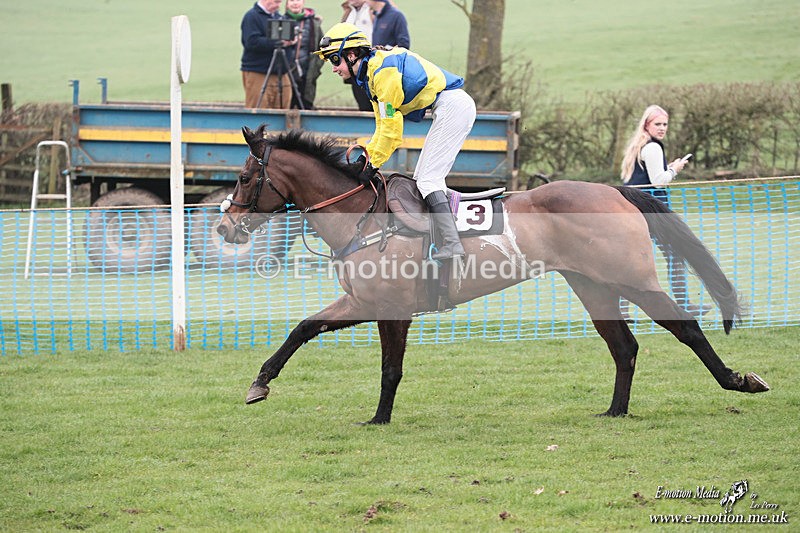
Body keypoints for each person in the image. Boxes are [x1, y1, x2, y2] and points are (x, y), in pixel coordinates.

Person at [314, 22, 476, 261]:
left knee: (429, 180)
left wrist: (372, 165)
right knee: (423, 180)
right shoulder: (371, 74)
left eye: (334, 60)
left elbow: (392, 132)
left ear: (351, 55)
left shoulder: (383, 74)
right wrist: (366, 158)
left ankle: (454, 244)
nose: (334, 69)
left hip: (453, 107)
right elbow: (381, 126)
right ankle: (444, 238)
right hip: (448, 107)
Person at [620, 104, 712, 318]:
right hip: (652, 213)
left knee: (631, 261)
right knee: (675, 256)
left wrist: (667, 169)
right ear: (647, 125)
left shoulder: (639, 146)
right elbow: (659, 182)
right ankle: (685, 305)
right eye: (657, 124)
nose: (662, 128)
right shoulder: (652, 147)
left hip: (635, 210)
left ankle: (622, 312)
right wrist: (674, 169)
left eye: (665, 124)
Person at [240, 0, 294, 109]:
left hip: (281, 73)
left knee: (283, 109)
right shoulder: (252, 16)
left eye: (279, 3)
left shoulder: (279, 17)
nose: (278, 5)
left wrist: (290, 42)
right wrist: (278, 42)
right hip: (258, 72)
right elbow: (252, 42)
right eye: (275, 2)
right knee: (258, 109)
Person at [284, 0, 324, 109]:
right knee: (285, 106)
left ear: (303, 2)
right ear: (287, 4)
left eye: (298, 0)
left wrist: (316, 67)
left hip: (307, 74)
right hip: (286, 74)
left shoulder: (313, 23)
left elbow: (322, 47)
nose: (295, 3)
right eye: (291, 0)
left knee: (306, 106)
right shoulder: (281, 21)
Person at [340, 0, 375, 111]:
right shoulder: (349, 12)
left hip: (371, 64)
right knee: (362, 103)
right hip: (353, 64)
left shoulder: (373, 10)